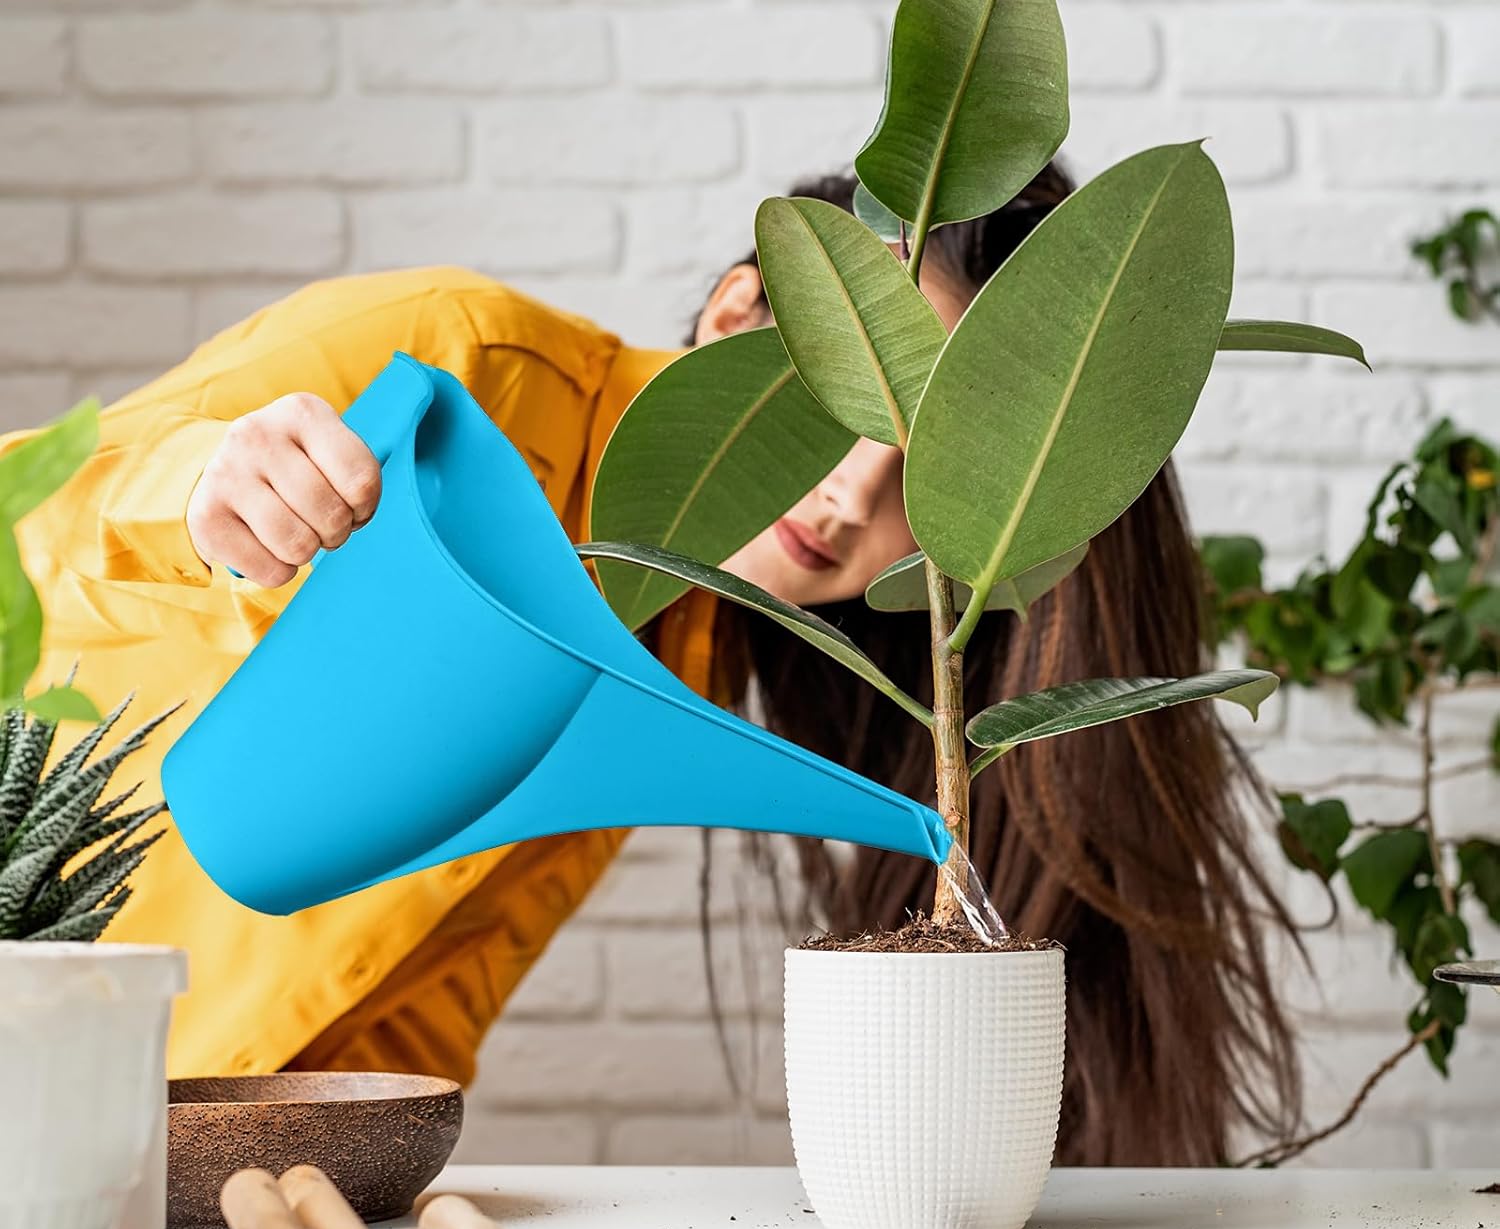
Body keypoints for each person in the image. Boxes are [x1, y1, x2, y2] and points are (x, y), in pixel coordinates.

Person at [4, 161, 1301, 1166]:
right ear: (741, 308)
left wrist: (343, 1191)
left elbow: (408, 994)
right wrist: (206, 499)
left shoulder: (682, 645)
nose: (857, 493)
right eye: (858, 404)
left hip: (116, 1147)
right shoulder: (458, 361)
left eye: (939, 468)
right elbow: (44, 518)